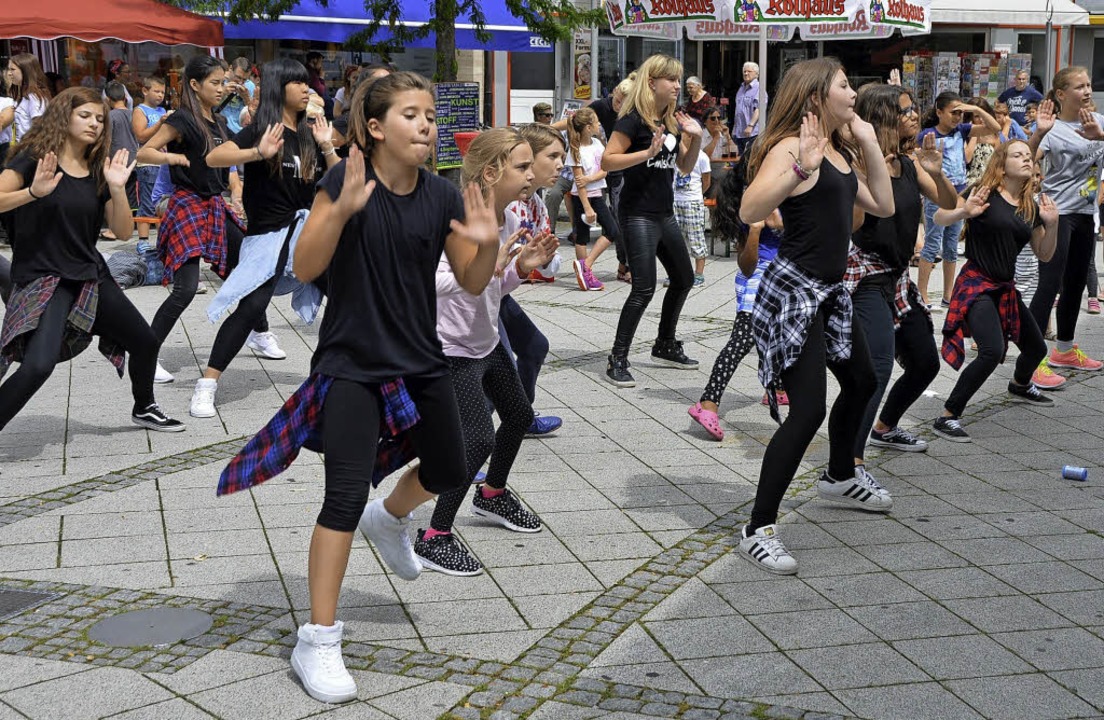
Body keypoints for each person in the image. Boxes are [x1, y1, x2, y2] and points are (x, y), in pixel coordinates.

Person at [217, 71, 500, 704]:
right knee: (342, 495)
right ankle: (317, 639)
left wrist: (488, 244)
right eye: (411, 114)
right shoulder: (342, 182)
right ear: (374, 128)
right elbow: (305, 268)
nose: (427, 124)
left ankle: (390, 516)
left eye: (430, 114)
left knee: (453, 464)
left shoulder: (441, 195)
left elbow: (472, 280)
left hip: (421, 361)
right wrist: (341, 210)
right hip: (350, 364)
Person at [737, 58, 895, 575]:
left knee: (865, 379)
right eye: (845, 86)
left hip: (830, 292)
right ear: (815, 98)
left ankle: (838, 475)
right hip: (794, 293)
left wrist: (868, 140)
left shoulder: (841, 150)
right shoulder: (791, 147)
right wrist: (800, 166)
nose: (853, 93)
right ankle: (757, 528)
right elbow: (749, 208)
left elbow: (884, 206)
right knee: (808, 411)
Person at [414, 128, 558, 576]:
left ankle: (492, 496)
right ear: (492, 172)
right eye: (522, 167)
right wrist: (479, 268)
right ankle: (434, 535)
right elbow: (429, 285)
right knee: (476, 440)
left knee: (518, 415)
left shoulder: (511, 219)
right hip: (450, 350)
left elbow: (493, 286)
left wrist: (518, 269)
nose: (531, 174)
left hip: (486, 342)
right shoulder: (455, 221)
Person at [0, 88, 184, 433]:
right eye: (85, 115)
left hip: (89, 276)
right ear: (63, 115)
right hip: (46, 278)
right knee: (39, 366)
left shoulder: (98, 168)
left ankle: (144, 407)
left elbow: (122, 232)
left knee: (144, 342)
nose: (94, 124)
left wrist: (116, 189)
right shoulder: (33, 158)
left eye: (99, 119)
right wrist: (32, 193)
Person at [197, 58, 341, 418]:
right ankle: (207, 384)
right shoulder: (265, 129)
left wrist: (326, 146)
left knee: (345, 297)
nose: (306, 89)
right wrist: (257, 153)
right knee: (251, 307)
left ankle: (333, 379)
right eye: (298, 83)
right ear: (280, 88)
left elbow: (340, 182)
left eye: (307, 83)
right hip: (267, 237)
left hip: (306, 235)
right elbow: (215, 157)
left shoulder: (310, 133)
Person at [845, 84, 957, 470]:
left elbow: (949, 202)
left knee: (925, 362)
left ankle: (885, 426)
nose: (914, 116)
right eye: (905, 110)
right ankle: (851, 463)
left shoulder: (908, 164)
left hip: (897, 281)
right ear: (881, 117)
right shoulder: (857, 164)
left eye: (913, 109)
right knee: (877, 366)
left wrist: (938, 174)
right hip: (865, 279)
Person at [135, 55, 253, 385]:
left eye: (222, 82)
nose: (220, 88)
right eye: (214, 83)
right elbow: (143, 152)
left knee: (249, 268)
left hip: (215, 206)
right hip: (187, 206)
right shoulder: (183, 119)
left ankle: (259, 330)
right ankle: (146, 352)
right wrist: (170, 156)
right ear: (194, 85)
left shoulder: (216, 121)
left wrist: (246, 101)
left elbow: (239, 145)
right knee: (185, 291)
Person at [932, 141, 1059, 442]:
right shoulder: (983, 192)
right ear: (1002, 164)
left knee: (1037, 349)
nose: (1027, 160)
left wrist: (1052, 225)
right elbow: (940, 217)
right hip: (977, 285)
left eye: (1029, 156)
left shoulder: (1031, 206)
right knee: (991, 351)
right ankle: (948, 415)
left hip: (1004, 289)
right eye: (1018, 155)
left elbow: (1044, 254)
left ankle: (1019, 384)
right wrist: (964, 211)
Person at [601, 53, 704, 388]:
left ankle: (664, 344)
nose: (678, 85)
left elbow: (685, 168)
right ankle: (617, 357)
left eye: (678, 79)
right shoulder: (632, 119)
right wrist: (644, 154)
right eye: (671, 80)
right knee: (643, 287)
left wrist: (698, 138)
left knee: (684, 278)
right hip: (637, 214)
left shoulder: (671, 120)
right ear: (651, 82)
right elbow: (608, 160)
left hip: (664, 213)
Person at [1020, 67, 1104, 388]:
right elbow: (1021, 159)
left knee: (1076, 285)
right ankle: (1033, 359)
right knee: (1049, 285)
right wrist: (1039, 133)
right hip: (1056, 214)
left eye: (1088, 85)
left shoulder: (1099, 122)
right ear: (1060, 94)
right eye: (1079, 86)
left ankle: (1065, 350)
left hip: (1085, 214)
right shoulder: (1053, 130)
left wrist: (1101, 136)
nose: (1086, 91)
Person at [687, 164, 784, 441]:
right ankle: (708, 403)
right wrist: (755, 231)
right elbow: (747, 267)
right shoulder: (751, 207)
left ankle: (776, 388)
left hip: (786, 276)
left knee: (782, 334)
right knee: (743, 339)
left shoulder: (787, 195)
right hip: (758, 276)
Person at [508, 122, 567, 437]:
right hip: (473, 297)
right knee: (494, 371)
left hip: (497, 294)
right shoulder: (506, 198)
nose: (560, 164)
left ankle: (521, 417)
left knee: (534, 346)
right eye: (553, 156)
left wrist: (542, 260)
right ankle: (462, 453)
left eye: (563, 156)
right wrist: (526, 260)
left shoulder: (537, 203)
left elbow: (548, 265)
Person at [917, 91, 1000, 309]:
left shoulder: (962, 130)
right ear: (939, 112)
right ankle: (922, 294)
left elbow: (995, 129)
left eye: (960, 113)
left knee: (952, 246)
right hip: (937, 194)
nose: (957, 117)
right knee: (932, 244)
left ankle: (948, 294)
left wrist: (977, 110)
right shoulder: (928, 135)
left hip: (961, 194)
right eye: (953, 112)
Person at [566, 107, 618, 291]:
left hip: (598, 194)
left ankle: (585, 265)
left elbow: (605, 169)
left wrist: (590, 178)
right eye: (596, 122)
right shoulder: (575, 150)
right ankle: (585, 274)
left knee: (612, 230)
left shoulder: (597, 144)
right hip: (582, 198)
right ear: (588, 127)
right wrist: (587, 208)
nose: (599, 125)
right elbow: (579, 184)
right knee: (582, 237)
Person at [588, 77, 634, 281]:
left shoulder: (633, 115)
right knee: (618, 218)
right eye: (617, 101)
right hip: (606, 170)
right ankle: (623, 262)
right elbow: (578, 119)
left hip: (625, 173)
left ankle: (626, 264)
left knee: (625, 218)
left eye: (624, 102)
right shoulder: (601, 106)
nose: (619, 106)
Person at [132, 76, 169, 244]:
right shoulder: (140, 110)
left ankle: (162, 241)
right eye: (157, 91)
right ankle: (143, 242)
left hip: (163, 164)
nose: (160, 95)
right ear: (145, 91)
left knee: (162, 203)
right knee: (147, 204)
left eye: (163, 92)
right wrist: (160, 124)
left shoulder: (162, 110)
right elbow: (140, 136)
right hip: (148, 164)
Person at [672, 147, 710, 286]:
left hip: (693, 201)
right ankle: (676, 273)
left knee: (696, 237)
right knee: (674, 240)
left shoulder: (701, 156)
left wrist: (697, 195)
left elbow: (706, 181)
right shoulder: (674, 154)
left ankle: (699, 274)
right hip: (675, 200)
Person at [105, 81, 140, 222]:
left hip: (117, 160)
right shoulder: (134, 114)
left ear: (107, 99)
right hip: (134, 158)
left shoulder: (110, 116)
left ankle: (119, 222)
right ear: (125, 97)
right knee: (131, 192)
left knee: (117, 192)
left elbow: (107, 140)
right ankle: (131, 220)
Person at [6, 54, 51, 142]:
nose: (9, 73)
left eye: (13, 69)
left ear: (25, 71)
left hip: (30, 149)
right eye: (9, 69)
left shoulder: (34, 97)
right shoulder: (23, 95)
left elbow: (39, 127)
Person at [733, 62, 764, 156]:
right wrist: (734, 129)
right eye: (744, 71)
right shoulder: (741, 88)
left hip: (752, 133)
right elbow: (738, 110)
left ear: (756, 74)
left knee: (750, 161)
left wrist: (750, 126)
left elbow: (759, 109)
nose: (746, 73)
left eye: (749, 71)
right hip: (739, 132)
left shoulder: (759, 88)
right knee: (740, 162)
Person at [220, 57, 255, 136]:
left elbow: (254, 114)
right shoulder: (219, 82)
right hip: (221, 130)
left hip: (240, 132)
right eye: (238, 77)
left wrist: (247, 99)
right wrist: (223, 93)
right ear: (230, 69)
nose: (240, 82)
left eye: (244, 79)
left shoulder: (250, 86)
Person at [305, 52, 331, 118]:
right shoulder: (311, 73)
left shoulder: (312, 71)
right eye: (320, 62)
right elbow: (321, 91)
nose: (321, 65)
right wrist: (321, 77)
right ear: (314, 60)